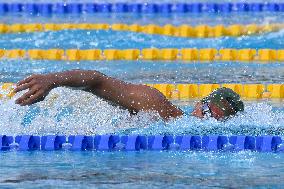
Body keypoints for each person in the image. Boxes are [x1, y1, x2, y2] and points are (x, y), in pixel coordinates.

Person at [14, 70, 244, 121]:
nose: (205, 121)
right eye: (206, 112)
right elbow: (98, 81)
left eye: (216, 120)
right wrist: (51, 80)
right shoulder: (156, 105)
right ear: (198, 104)